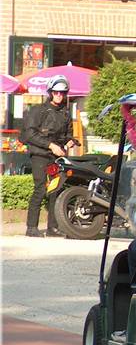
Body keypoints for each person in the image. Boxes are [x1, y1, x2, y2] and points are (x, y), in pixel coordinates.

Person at [20, 74, 78, 237]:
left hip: (56, 157)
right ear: (50, 92)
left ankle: (53, 227)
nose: (59, 95)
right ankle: (31, 227)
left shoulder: (65, 114)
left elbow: (68, 134)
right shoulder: (38, 111)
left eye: (62, 93)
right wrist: (51, 145)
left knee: (56, 190)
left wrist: (69, 142)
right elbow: (29, 134)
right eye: (56, 92)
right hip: (40, 155)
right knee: (40, 189)